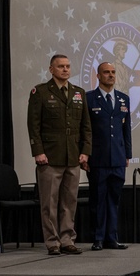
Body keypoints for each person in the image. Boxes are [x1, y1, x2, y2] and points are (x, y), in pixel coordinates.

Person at [27, 54, 92, 256]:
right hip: (50, 157)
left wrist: (85, 152)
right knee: (49, 203)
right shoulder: (41, 92)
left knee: (69, 201)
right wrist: (38, 151)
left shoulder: (78, 93)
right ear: (51, 69)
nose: (65, 69)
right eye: (60, 66)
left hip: (72, 156)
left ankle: (67, 240)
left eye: (67, 66)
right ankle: (52, 242)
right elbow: (33, 125)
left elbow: (86, 127)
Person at [86, 62, 132, 251]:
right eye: (106, 72)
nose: (111, 75)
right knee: (98, 200)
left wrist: (128, 154)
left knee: (114, 199)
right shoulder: (90, 99)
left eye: (113, 72)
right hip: (97, 158)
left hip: (118, 158)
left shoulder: (123, 99)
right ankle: (98, 238)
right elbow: (86, 131)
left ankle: (112, 238)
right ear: (98, 76)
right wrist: (85, 154)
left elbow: (125, 129)